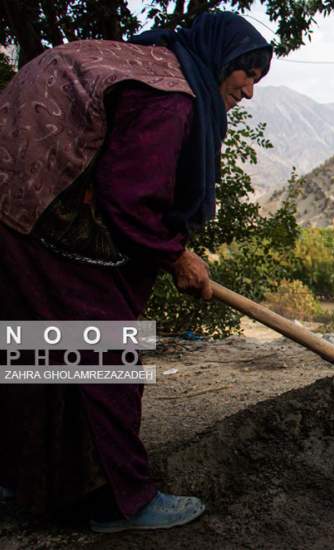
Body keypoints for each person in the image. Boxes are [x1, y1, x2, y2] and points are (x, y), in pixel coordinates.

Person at [0, 12, 271, 531]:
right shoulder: (170, 97)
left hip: (14, 200)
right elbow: (131, 201)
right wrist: (176, 255)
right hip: (37, 201)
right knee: (106, 346)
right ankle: (116, 500)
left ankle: (26, 479)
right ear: (223, 59)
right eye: (247, 73)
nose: (250, 91)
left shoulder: (153, 64)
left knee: (41, 346)